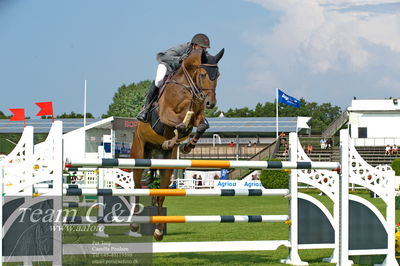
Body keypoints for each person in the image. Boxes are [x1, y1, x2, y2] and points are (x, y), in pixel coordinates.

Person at [137, 33, 211, 122]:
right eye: (202, 47)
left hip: (181, 74)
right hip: (169, 66)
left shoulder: (203, 55)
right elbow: (162, 56)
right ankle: (146, 109)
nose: (204, 50)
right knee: (158, 80)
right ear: (194, 45)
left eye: (205, 48)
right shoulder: (183, 48)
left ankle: (198, 114)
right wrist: (179, 59)